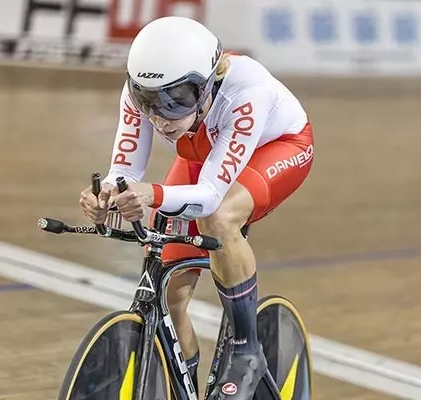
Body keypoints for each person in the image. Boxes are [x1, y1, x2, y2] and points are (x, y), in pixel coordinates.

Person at [79, 16, 314, 400]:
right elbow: (124, 170)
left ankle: (247, 350)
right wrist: (106, 193)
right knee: (170, 293)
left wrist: (150, 195)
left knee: (218, 218)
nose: (160, 117)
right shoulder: (141, 91)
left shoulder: (246, 91)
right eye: (149, 101)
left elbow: (208, 196)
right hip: (204, 153)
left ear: (207, 85)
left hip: (277, 148)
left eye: (177, 99)